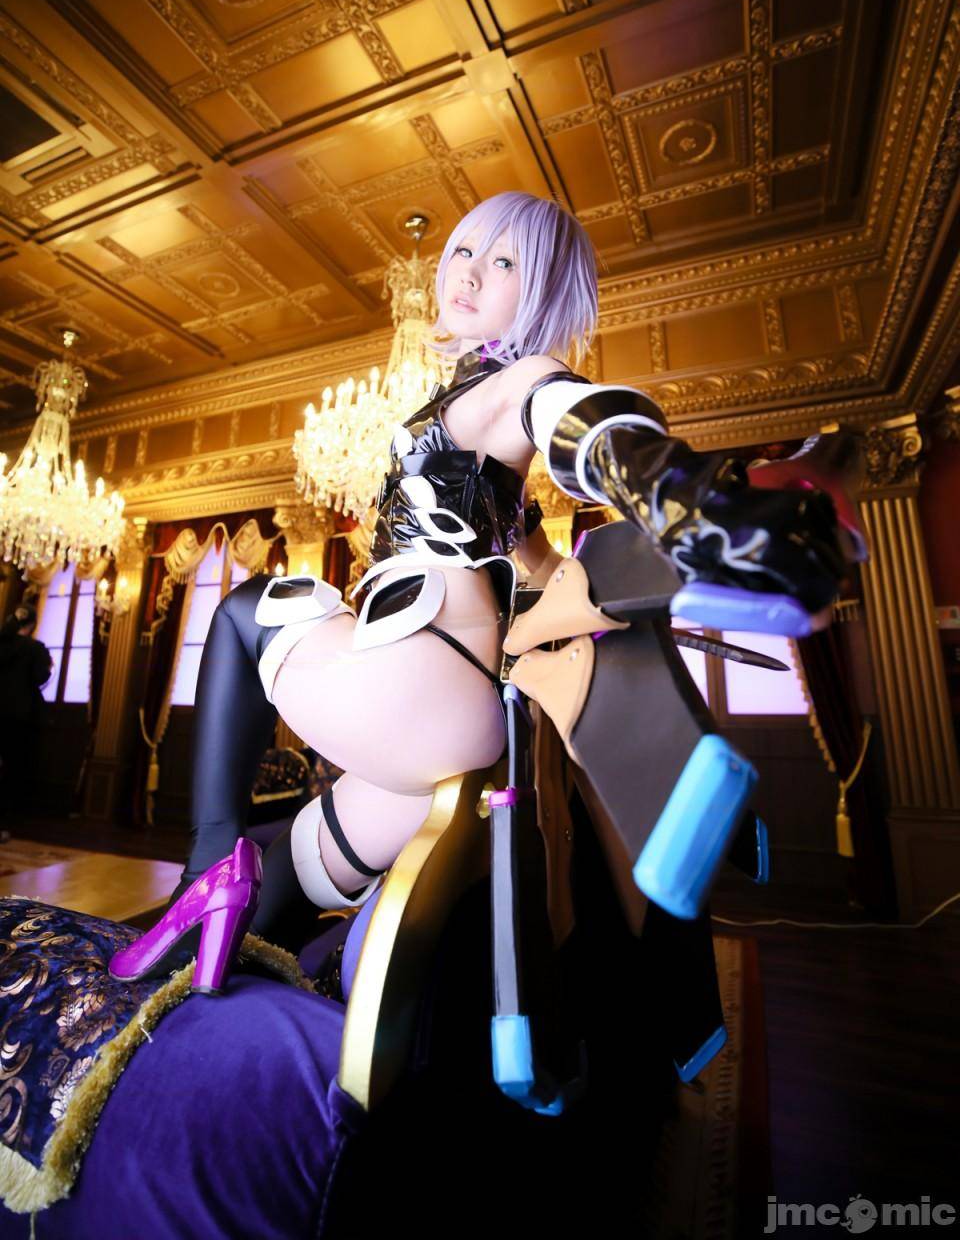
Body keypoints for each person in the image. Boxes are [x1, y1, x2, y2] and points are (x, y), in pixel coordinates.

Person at [114, 190, 855, 969]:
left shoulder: (521, 377)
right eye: (464, 251)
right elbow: (544, 567)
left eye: (504, 262)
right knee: (290, 877)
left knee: (242, 610)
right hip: (456, 724)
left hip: (413, 678)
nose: (467, 273)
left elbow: (579, 416)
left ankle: (203, 869)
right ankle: (216, 966)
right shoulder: (480, 405)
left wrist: (680, 499)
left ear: (543, 291)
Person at [0, 603, 52, 838]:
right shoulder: (34, 649)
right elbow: (40, 677)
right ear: (32, 625)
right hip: (19, 716)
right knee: (13, 769)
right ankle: (4, 824)